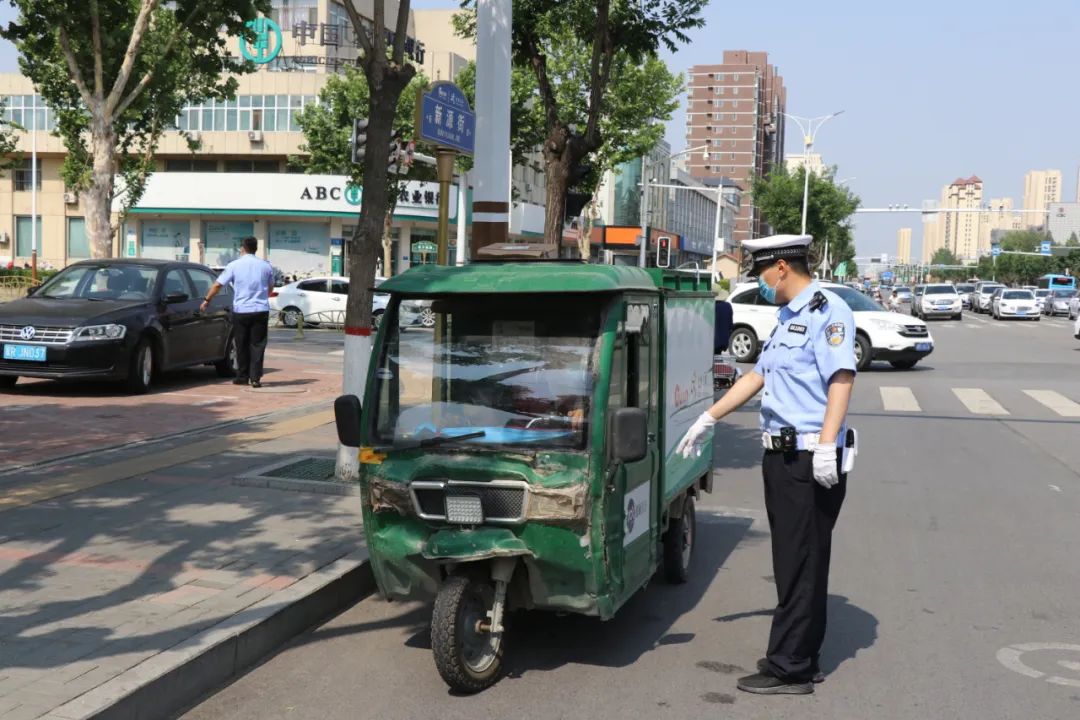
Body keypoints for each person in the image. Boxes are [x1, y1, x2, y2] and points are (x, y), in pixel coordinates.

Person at [676, 234, 857, 696]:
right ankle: (800, 653)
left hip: (808, 455)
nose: (757, 281)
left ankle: (791, 667)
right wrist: (708, 416)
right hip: (781, 455)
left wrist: (826, 445)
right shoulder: (787, 317)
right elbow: (758, 375)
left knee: (801, 560)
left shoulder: (827, 311)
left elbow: (840, 379)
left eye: (759, 270)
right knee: (794, 559)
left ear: (781, 266)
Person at [200, 236, 274, 388]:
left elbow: (218, 285)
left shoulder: (234, 265)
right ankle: (255, 378)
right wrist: (261, 297)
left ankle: (242, 376)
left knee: (241, 343)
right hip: (260, 310)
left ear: (242, 248)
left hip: (241, 310)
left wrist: (207, 300)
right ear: (256, 248)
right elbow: (270, 287)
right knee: (257, 344)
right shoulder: (266, 266)